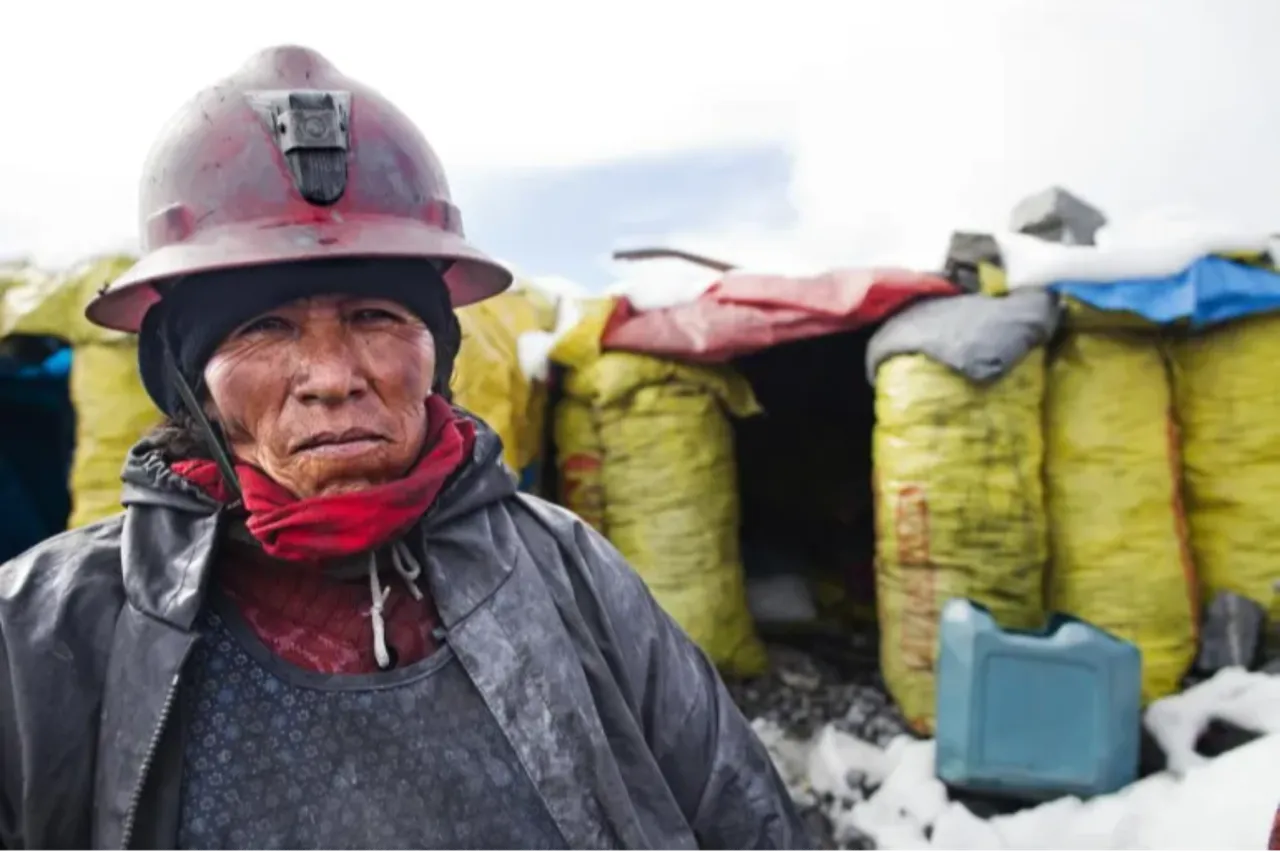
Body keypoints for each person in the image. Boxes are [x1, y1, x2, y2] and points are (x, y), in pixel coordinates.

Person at [0, 45, 811, 852]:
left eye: (375, 318)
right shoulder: (39, 631)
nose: (332, 377)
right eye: (264, 328)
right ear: (188, 382)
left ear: (438, 355)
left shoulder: (567, 570)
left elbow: (744, 822)